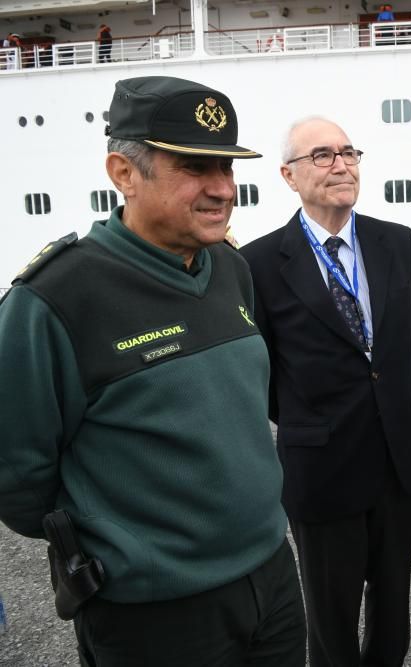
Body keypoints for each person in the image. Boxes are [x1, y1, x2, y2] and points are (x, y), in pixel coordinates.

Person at [0, 75, 306, 666]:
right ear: (123, 173)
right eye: (196, 168)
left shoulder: (228, 268)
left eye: (228, 168)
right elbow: (17, 478)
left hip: (271, 577)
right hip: (155, 613)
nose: (224, 190)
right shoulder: (54, 300)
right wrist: (129, 542)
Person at [240, 116, 411, 667]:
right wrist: (313, 419)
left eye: (349, 153)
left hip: (401, 457)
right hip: (321, 466)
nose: (342, 165)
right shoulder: (257, 263)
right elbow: (265, 372)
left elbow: (410, 343)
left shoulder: (397, 242)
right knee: (330, 615)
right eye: (323, 155)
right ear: (288, 175)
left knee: (392, 604)